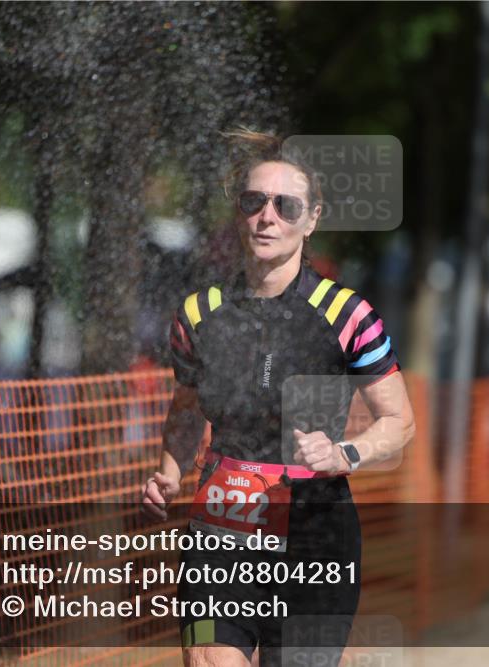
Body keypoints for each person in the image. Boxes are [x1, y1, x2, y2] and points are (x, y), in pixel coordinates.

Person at [142, 129, 416, 667]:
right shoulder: (198, 315)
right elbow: (186, 412)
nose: (268, 217)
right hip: (222, 532)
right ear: (238, 212)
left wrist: (345, 454)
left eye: (286, 206)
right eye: (254, 202)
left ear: (312, 219)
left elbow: (399, 420)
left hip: (316, 538)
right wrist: (169, 472)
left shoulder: (347, 316)